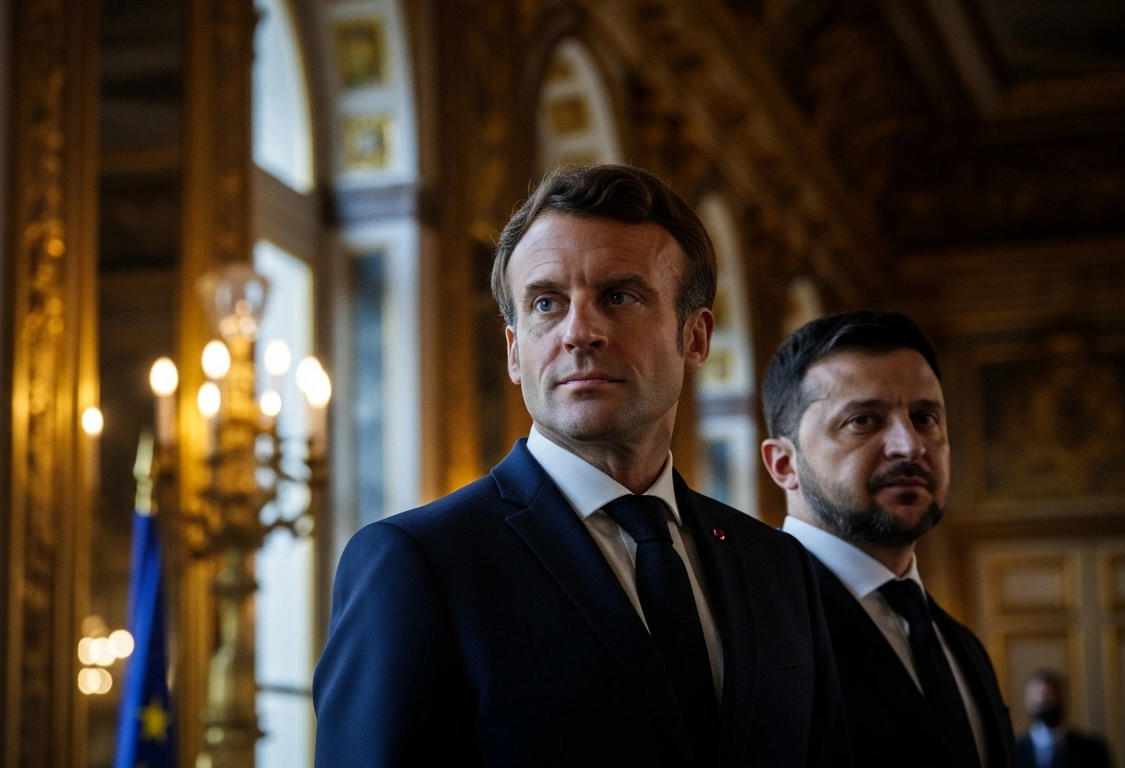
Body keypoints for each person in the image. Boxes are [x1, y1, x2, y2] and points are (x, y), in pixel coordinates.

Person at [314, 164, 850, 766]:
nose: (580, 332)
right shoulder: (420, 564)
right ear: (514, 352)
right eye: (547, 303)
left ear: (696, 337)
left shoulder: (777, 567)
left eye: (619, 297)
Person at [760, 311, 1017, 768]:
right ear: (784, 464)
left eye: (925, 418)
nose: (909, 445)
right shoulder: (748, 627)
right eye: (863, 420)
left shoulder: (962, 645)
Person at [1018, 670, 1112, 768]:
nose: (1045, 701)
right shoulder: (1014, 752)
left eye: (1051, 694)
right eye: (1039, 695)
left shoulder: (1094, 750)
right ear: (1027, 701)